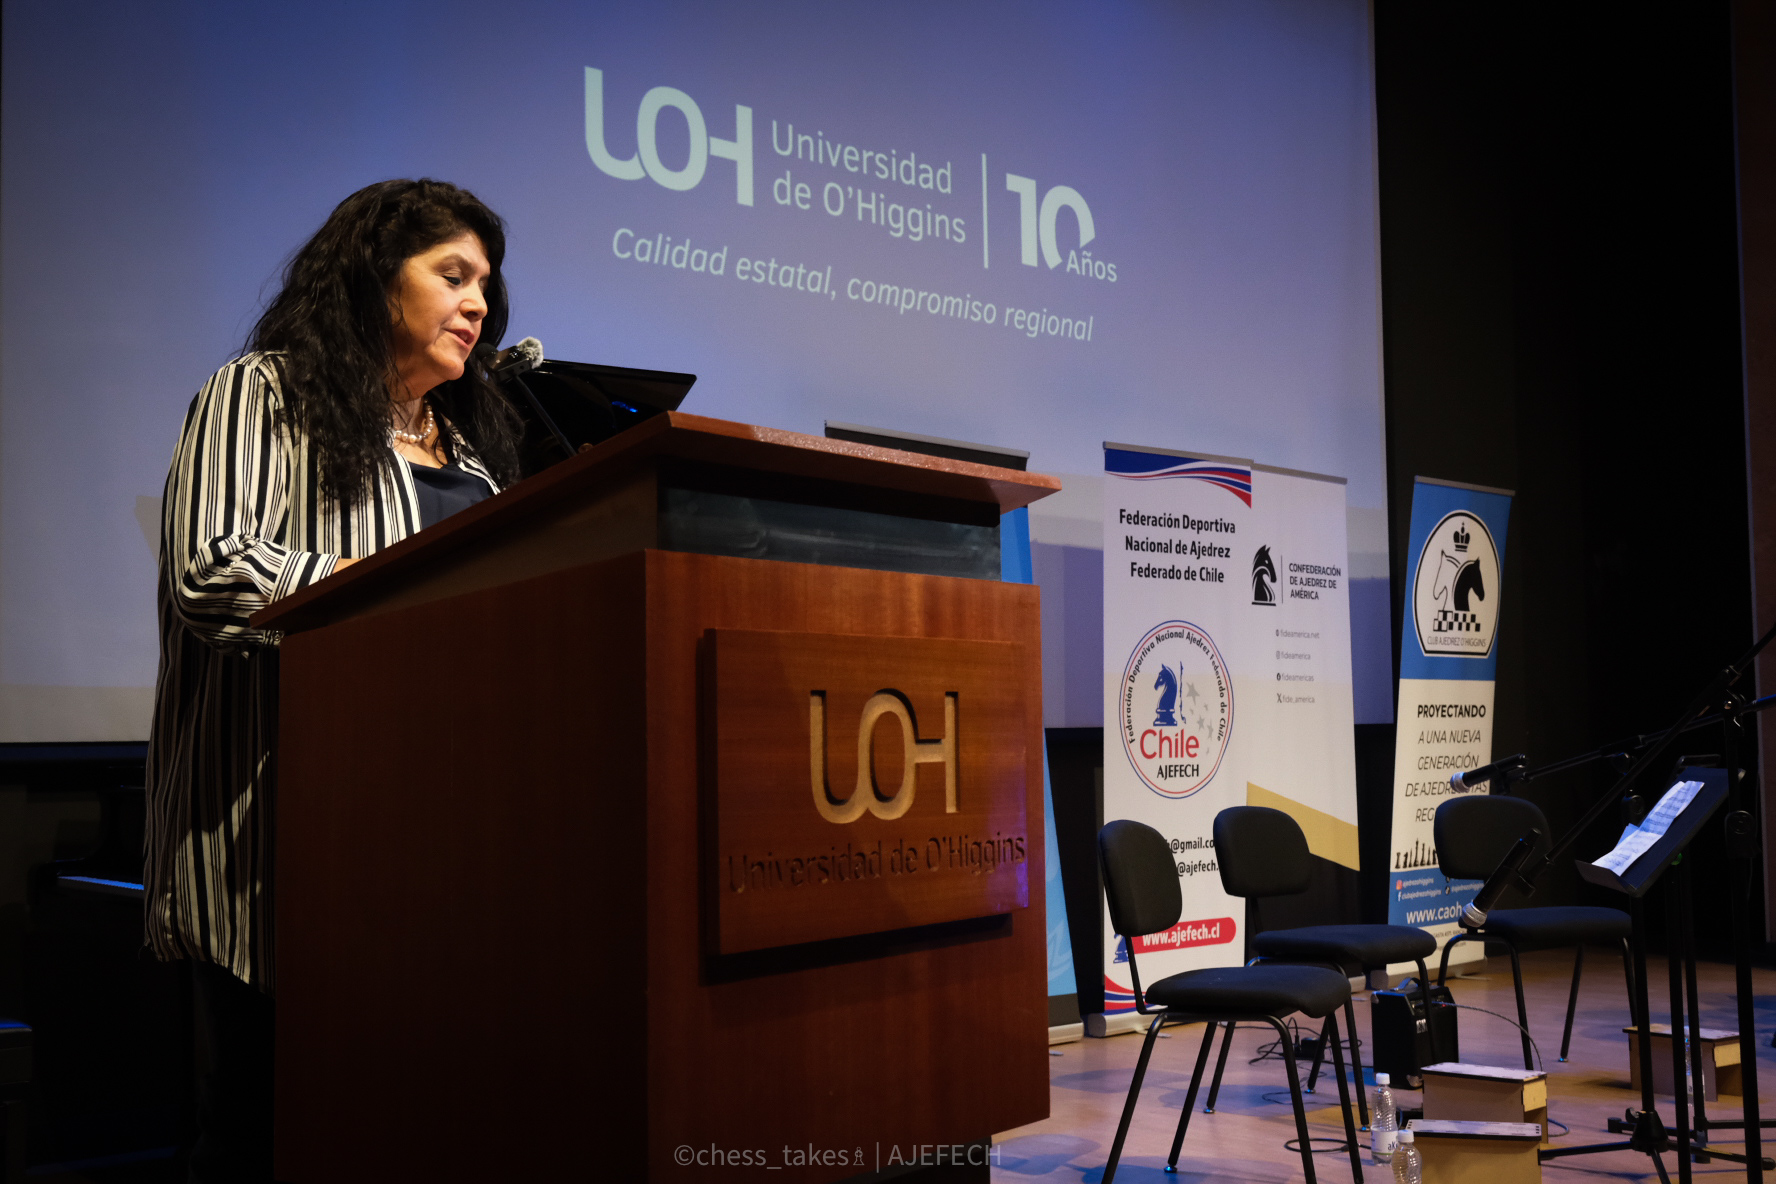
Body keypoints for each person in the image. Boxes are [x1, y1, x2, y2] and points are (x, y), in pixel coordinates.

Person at [143, 179, 524, 1181]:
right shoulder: (263, 394)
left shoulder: (475, 459)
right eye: (453, 274)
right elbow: (210, 571)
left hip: (445, 856)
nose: (479, 303)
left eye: (486, 283)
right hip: (279, 852)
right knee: (268, 1139)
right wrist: (379, 590)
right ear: (374, 275)